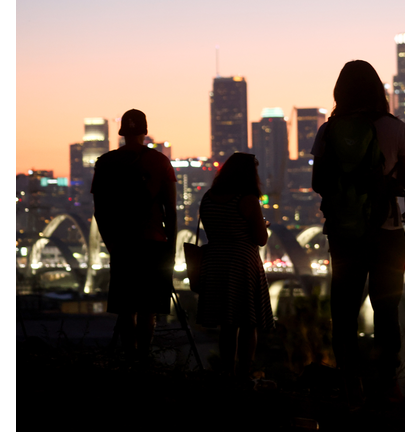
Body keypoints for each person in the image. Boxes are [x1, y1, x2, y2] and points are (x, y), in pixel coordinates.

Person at [311, 60, 405, 404]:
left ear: (340, 91)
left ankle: (349, 380)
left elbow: (318, 182)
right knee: (386, 308)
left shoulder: (329, 130)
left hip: (344, 232)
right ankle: (387, 382)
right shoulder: (396, 128)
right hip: (387, 230)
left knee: (344, 310)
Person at [92, 109, 177, 361]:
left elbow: (99, 211)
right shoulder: (159, 161)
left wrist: (111, 243)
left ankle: (129, 359)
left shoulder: (105, 162)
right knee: (148, 308)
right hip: (153, 243)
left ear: (122, 133)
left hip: (122, 244)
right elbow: (171, 209)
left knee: (126, 307)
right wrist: (171, 247)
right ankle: (143, 360)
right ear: (144, 131)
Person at [196, 153, 273, 381]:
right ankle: (244, 374)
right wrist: (263, 225)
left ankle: (226, 373)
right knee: (248, 323)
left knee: (227, 324)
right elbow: (261, 239)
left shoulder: (208, 197)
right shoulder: (247, 199)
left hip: (215, 263)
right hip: (241, 264)